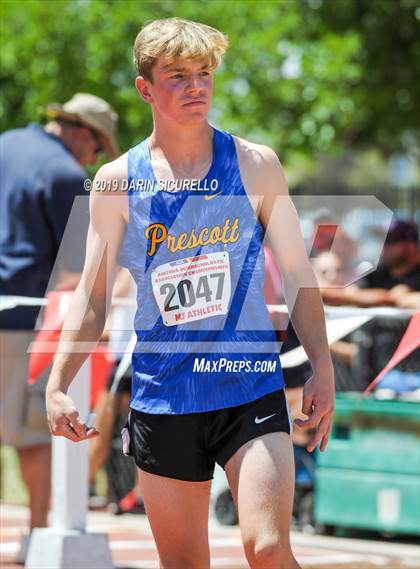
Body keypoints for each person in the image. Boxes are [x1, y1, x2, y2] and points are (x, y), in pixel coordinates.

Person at [46, 19, 334, 569]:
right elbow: (93, 294)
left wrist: (320, 363)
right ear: (145, 88)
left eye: (204, 73)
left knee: (269, 549)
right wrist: (58, 383)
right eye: (177, 75)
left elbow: (299, 274)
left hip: (248, 386)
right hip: (165, 396)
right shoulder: (116, 181)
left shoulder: (255, 164)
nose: (196, 86)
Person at [0, 93, 118, 560]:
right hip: (22, 321)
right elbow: (79, 267)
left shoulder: (5, 142)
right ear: (83, 132)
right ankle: (34, 537)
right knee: (33, 431)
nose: (94, 158)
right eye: (97, 148)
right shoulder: (69, 175)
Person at [321, 218, 419, 307]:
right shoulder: (380, 272)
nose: (383, 246)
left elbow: (393, 297)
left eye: (389, 240)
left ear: (411, 245)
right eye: (382, 239)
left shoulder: (416, 274)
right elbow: (352, 289)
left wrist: (337, 295)